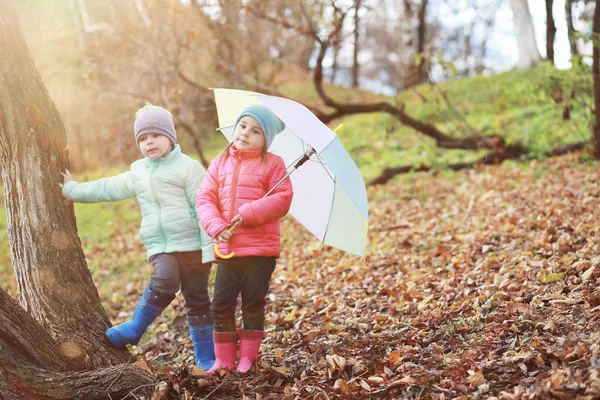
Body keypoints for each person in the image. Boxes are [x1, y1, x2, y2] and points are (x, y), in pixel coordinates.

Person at [59, 103, 216, 370]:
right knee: (165, 279)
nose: (149, 142)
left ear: (170, 137)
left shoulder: (188, 168)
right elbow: (108, 187)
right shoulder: (138, 171)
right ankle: (134, 327)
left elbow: (205, 207)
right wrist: (73, 190)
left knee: (198, 300)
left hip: (193, 246)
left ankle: (206, 356)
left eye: (155, 135)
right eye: (142, 138)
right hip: (161, 246)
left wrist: (210, 248)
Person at [196, 104, 293, 374]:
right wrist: (216, 226)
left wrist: (248, 212)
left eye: (256, 131)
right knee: (221, 305)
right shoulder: (219, 162)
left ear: (265, 140)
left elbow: (282, 199)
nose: (246, 133)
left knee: (253, 302)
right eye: (242, 126)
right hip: (228, 249)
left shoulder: (274, 164)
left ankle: (247, 358)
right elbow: (205, 198)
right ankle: (224, 360)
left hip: (260, 251)